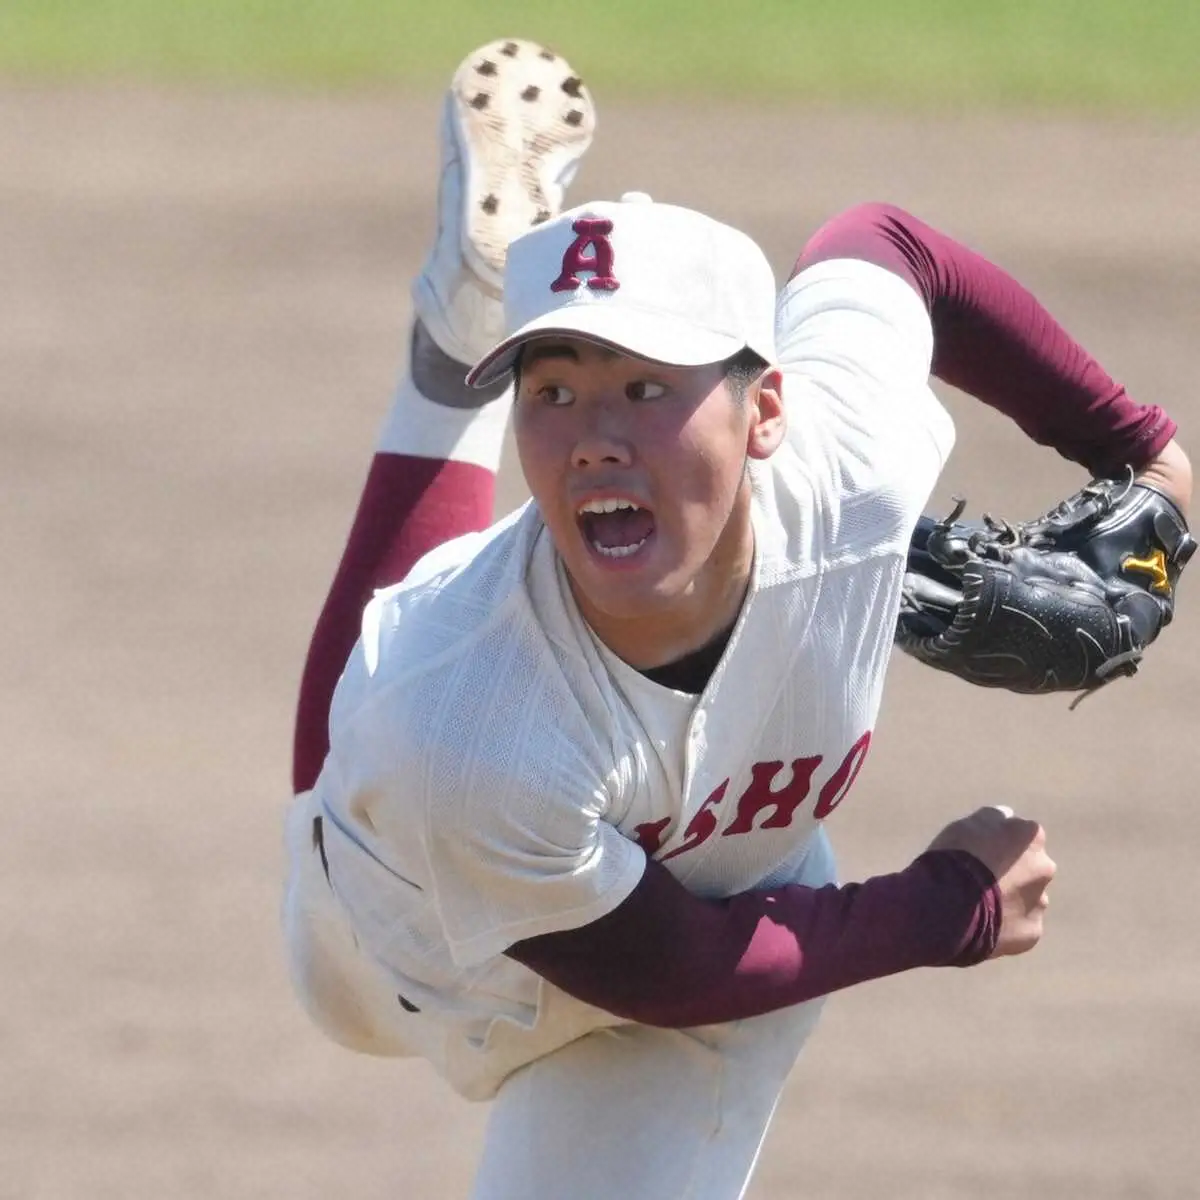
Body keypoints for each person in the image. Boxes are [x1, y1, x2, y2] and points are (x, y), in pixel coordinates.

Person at [283, 37, 1191, 1199]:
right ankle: (463, 332)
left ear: (767, 410)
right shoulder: (461, 723)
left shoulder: (847, 470)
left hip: (723, 963)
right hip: (394, 939)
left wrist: (1147, 456)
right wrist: (942, 907)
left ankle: (485, 319)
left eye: (646, 385)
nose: (593, 433)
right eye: (551, 389)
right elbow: (665, 966)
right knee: (383, 735)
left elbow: (886, 246)